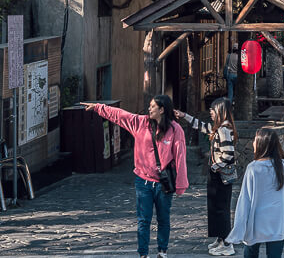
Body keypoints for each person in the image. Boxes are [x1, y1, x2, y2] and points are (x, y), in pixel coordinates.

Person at [83, 96, 188, 258]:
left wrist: (181, 184)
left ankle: (162, 251)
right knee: (143, 221)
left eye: (153, 106)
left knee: (163, 219)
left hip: (164, 184)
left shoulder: (175, 130)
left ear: (162, 109)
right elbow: (119, 115)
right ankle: (143, 254)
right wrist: (98, 107)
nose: (149, 109)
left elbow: (180, 157)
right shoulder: (141, 123)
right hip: (143, 182)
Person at [175, 98, 238, 256]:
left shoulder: (224, 129)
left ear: (221, 111)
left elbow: (229, 155)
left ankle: (227, 244)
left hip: (220, 176)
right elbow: (200, 126)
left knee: (221, 210)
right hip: (216, 174)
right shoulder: (218, 128)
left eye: (213, 109)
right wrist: (184, 115)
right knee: (215, 208)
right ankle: (220, 239)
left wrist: (215, 167)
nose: (210, 112)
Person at [227, 127, 284, 258]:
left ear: (261, 144)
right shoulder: (283, 165)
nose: (253, 143)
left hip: (257, 221)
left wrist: (240, 224)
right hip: (278, 221)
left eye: (255, 140)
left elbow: (245, 200)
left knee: (250, 253)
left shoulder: (254, 168)